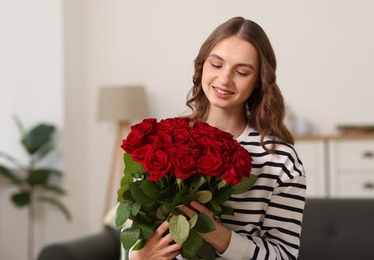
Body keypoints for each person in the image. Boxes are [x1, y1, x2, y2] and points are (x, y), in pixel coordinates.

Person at [129, 16, 306, 260]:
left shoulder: (280, 160)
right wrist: (138, 257)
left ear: (258, 81)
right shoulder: (163, 140)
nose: (224, 79)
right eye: (216, 65)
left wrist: (218, 235)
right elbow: (134, 233)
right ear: (202, 66)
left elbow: (285, 255)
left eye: (242, 72)